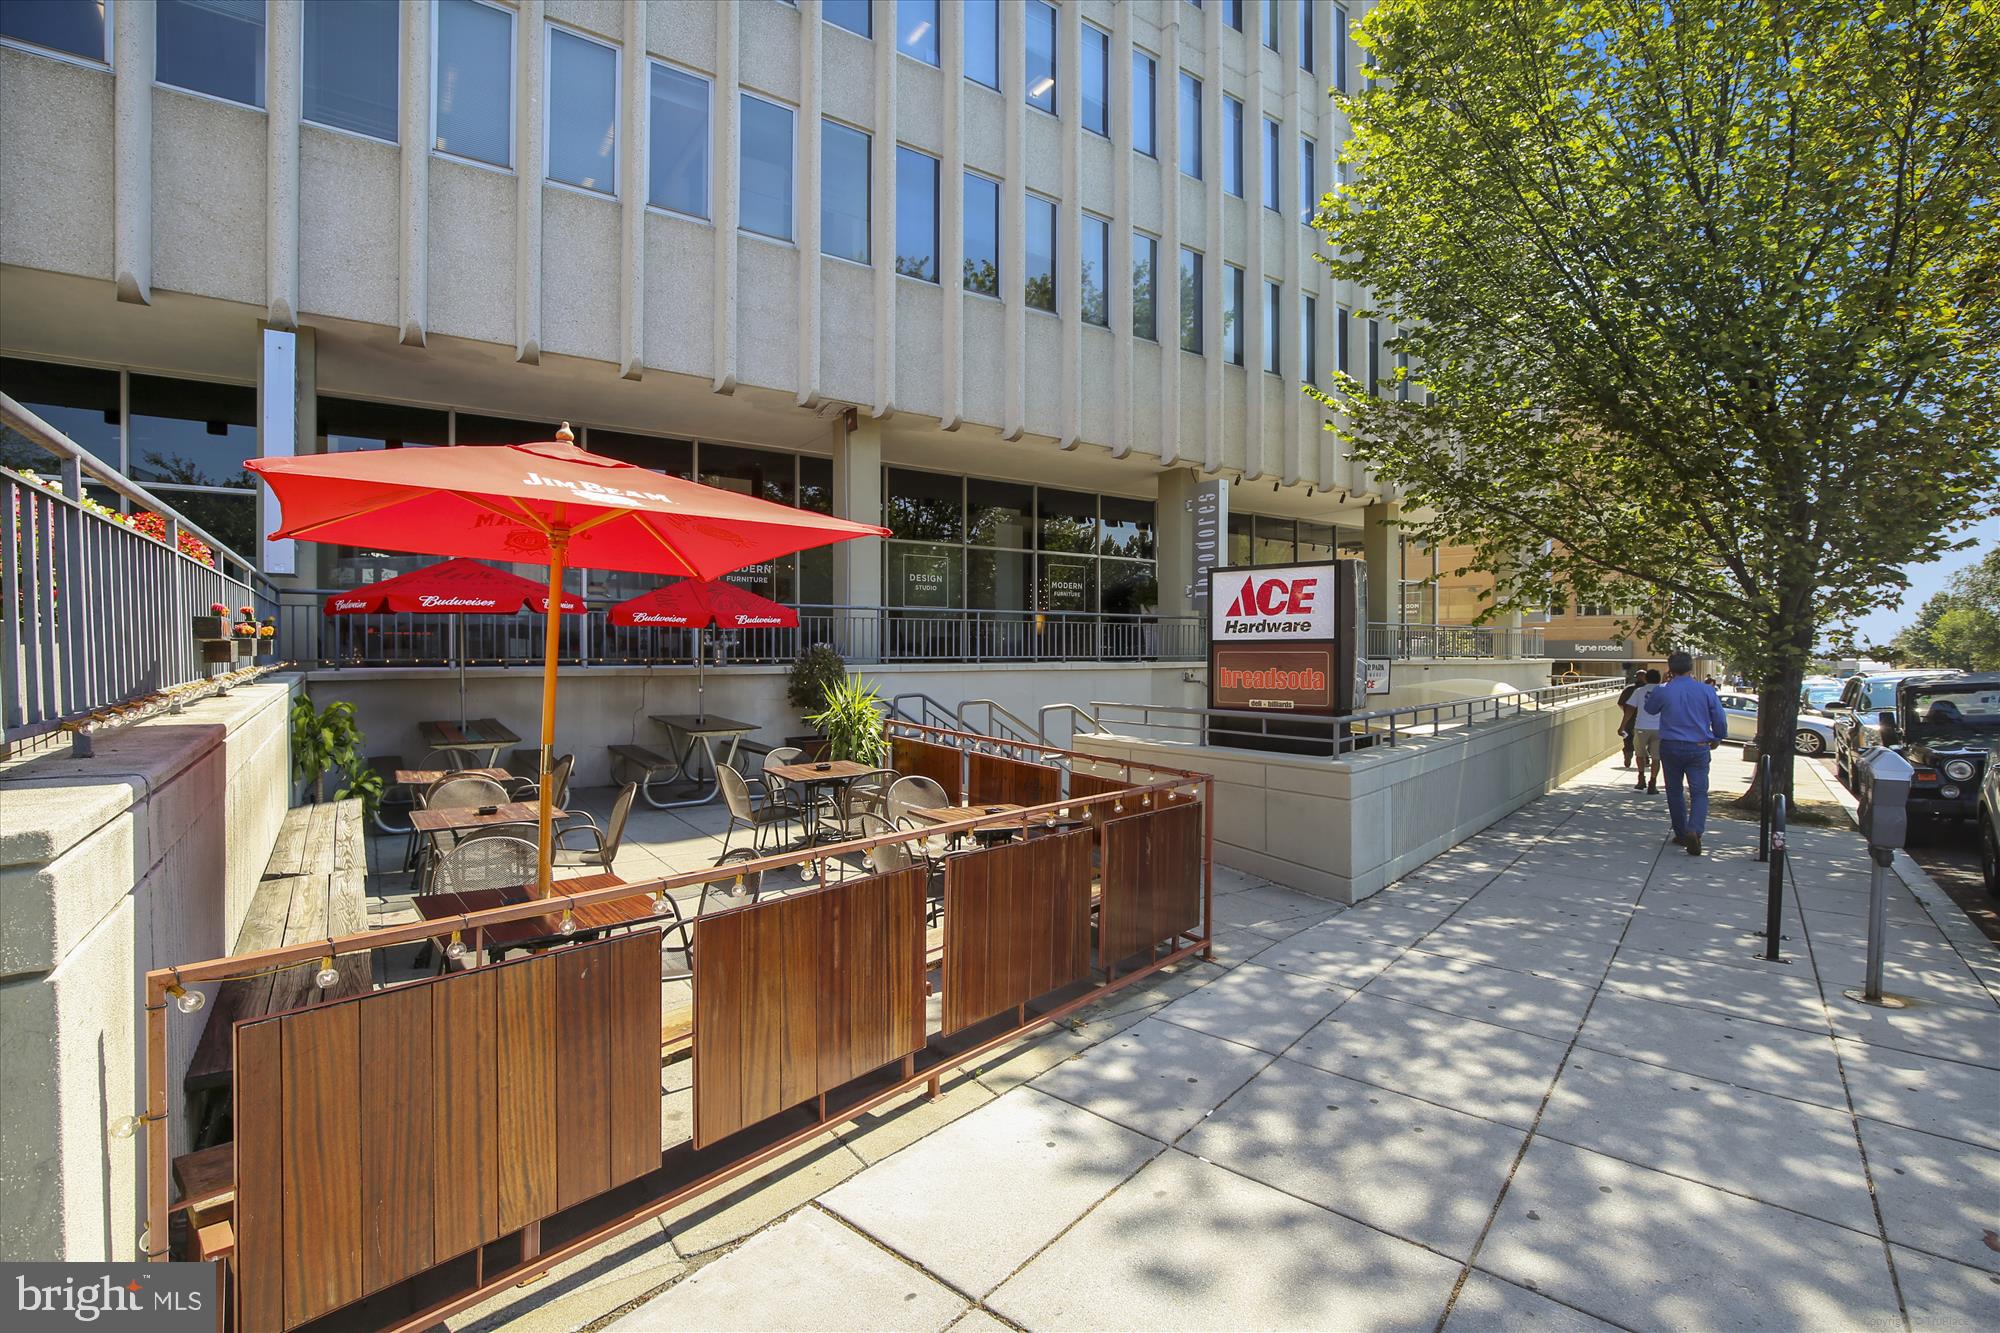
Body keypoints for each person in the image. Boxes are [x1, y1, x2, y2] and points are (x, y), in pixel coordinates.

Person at [1646, 652, 1729, 854]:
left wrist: (1664, 684)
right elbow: (1719, 718)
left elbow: (1650, 709)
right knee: (1699, 792)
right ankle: (1695, 829)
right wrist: (1717, 737)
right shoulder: (1706, 690)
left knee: (1674, 791)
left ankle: (1681, 832)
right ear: (1691, 667)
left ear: (1670, 668)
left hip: (1671, 745)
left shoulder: (1664, 690)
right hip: (1698, 746)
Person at [1630, 668, 1664, 793]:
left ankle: (1641, 778)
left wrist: (1622, 726)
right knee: (1656, 757)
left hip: (1641, 726)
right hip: (1659, 728)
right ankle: (1652, 782)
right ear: (1659, 679)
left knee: (1639, 754)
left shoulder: (1639, 691)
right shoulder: (1664, 691)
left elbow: (1630, 708)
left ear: (1646, 678)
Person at [1616, 672, 1642, 768]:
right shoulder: (1648, 690)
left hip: (1629, 720)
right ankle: (1645, 758)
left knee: (1628, 740)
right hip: (1643, 721)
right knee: (1644, 742)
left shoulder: (1629, 689)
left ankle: (1628, 754)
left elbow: (1620, 703)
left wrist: (1625, 712)